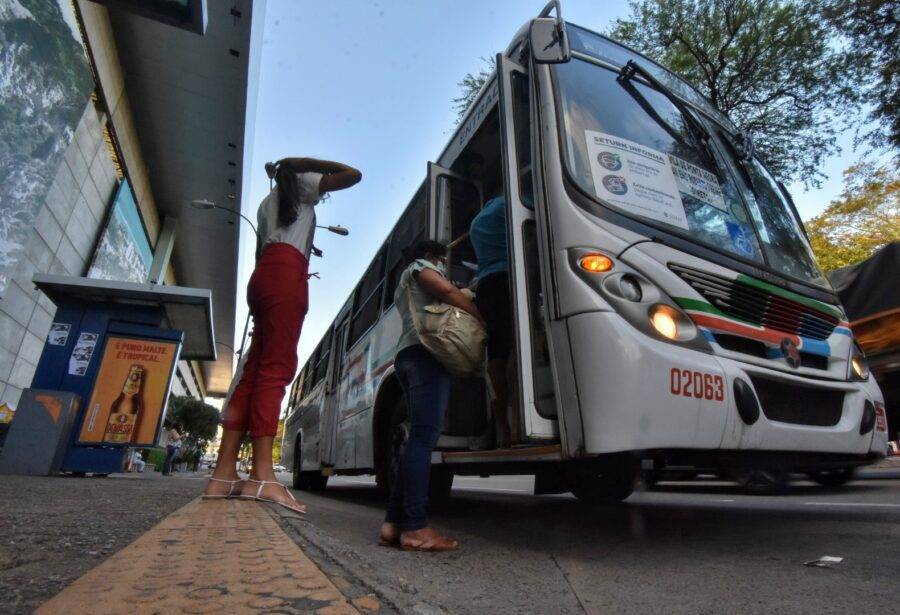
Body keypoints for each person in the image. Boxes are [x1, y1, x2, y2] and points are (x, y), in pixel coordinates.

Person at [203, 157, 361, 512]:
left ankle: (223, 474)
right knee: (275, 371)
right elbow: (353, 175)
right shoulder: (302, 183)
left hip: (262, 276)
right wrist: (300, 161)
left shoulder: (266, 203)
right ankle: (262, 477)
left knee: (253, 372)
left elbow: (268, 246)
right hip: (286, 275)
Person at [380, 240, 484, 552]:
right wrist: (479, 315)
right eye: (440, 258)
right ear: (430, 256)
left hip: (408, 356)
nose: (441, 263)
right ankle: (415, 527)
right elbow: (449, 293)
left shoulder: (403, 284)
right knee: (423, 440)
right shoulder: (420, 268)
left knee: (416, 440)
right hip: (426, 357)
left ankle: (392, 524)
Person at [466, 155, 514, 449]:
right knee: (514, 349)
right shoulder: (507, 205)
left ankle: (502, 425)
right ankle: (516, 420)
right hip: (507, 281)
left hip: (486, 286)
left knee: (496, 353)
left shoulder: (476, 222)